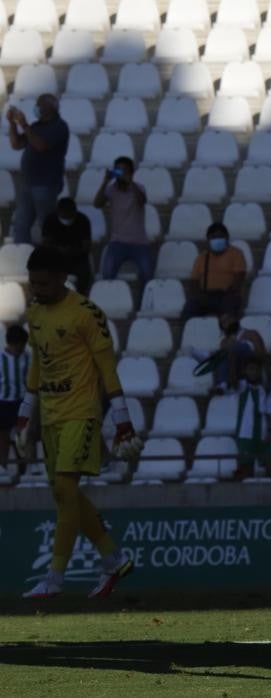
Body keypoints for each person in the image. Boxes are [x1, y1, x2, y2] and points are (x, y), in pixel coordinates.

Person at [16, 247, 141, 599]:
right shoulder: (35, 312)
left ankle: (55, 577)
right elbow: (38, 363)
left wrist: (122, 420)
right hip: (50, 414)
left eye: (43, 282)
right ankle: (113, 558)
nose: (37, 288)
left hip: (82, 412)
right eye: (32, 282)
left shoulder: (86, 314)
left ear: (61, 277)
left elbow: (106, 368)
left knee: (66, 488)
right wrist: (26, 412)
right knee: (62, 492)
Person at [7, 95, 69, 244]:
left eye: (40, 105)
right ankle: (22, 260)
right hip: (27, 183)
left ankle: (49, 262)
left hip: (46, 184)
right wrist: (12, 123)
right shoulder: (36, 126)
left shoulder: (59, 126)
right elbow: (16, 144)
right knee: (21, 224)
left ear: (50, 108)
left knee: (46, 226)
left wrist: (24, 125)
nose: (37, 107)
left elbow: (41, 146)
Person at [94, 156, 153, 287]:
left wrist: (130, 182)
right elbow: (97, 204)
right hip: (117, 242)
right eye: (118, 170)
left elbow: (142, 201)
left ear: (131, 172)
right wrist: (105, 181)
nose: (120, 173)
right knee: (107, 274)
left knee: (148, 275)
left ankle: (145, 304)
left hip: (139, 242)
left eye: (123, 170)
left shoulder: (139, 188)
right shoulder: (111, 189)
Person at [182, 223, 247, 319]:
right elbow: (194, 281)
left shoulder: (236, 254)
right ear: (208, 240)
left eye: (220, 236)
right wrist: (199, 295)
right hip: (206, 295)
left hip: (227, 295)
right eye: (213, 237)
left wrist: (229, 292)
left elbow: (239, 277)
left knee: (229, 309)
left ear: (227, 238)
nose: (217, 240)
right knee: (190, 308)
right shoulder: (202, 257)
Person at [233, 357, 271, 480]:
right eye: (250, 369)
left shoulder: (263, 390)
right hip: (245, 433)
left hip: (262, 433)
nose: (253, 372)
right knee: (246, 468)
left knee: (270, 466)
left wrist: (270, 430)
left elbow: (269, 412)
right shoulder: (242, 387)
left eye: (255, 370)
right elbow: (232, 378)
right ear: (245, 371)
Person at [41, 198, 94, 294]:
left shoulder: (83, 220)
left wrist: (72, 251)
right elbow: (46, 245)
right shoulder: (50, 220)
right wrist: (58, 250)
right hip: (55, 257)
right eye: (64, 216)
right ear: (58, 212)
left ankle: (80, 297)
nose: (67, 218)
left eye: (70, 216)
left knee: (84, 273)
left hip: (77, 258)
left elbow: (86, 246)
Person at [1, 325, 30, 477]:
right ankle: (3, 467)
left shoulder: (26, 358)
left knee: (21, 437)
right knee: (3, 436)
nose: (22, 348)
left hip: (20, 403)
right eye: (21, 345)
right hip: (4, 403)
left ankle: (23, 467)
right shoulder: (1, 359)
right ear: (12, 343)